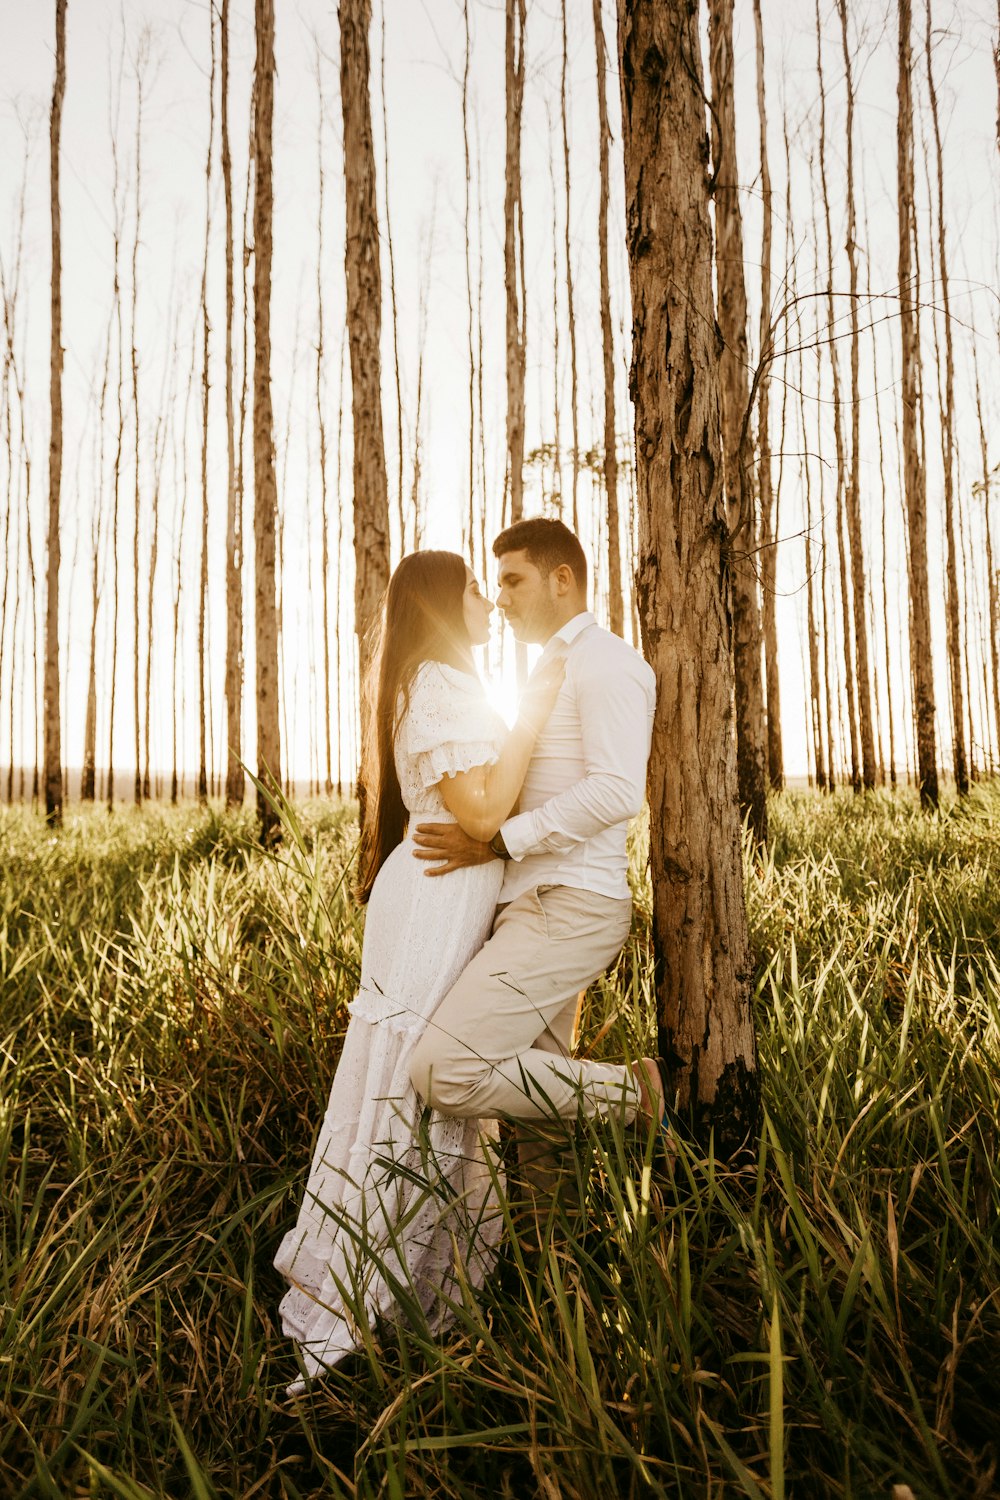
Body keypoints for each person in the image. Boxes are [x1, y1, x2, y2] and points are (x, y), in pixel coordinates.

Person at [273, 549, 565, 1391]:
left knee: (432, 1076)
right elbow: (478, 808)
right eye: (474, 586)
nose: (485, 601)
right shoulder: (440, 681)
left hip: (436, 894)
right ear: (443, 603)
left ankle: (427, 1290)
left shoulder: (435, 680)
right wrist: (531, 714)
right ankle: (379, 1291)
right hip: (434, 904)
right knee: (421, 1077)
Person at [408, 516, 667, 1146]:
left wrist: (501, 840)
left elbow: (616, 791)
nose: (500, 598)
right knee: (536, 1124)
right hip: (531, 903)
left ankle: (635, 1095)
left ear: (561, 579)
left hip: (571, 904)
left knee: (443, 1068)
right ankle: (549, 1244)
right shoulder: (547, 671)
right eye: (495, 584)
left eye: (514, 580)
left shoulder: (606, 663)